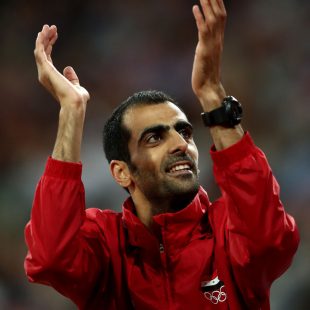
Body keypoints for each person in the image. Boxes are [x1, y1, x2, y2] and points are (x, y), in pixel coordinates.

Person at [24, 0, 299, 309]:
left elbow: (271, 240)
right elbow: (50, 259)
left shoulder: (228, 232)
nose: (180, 144)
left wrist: (210, 93)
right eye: (155, 137)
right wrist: (71, 113)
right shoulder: (106, 245)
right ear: (121, 172)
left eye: (184, 131)